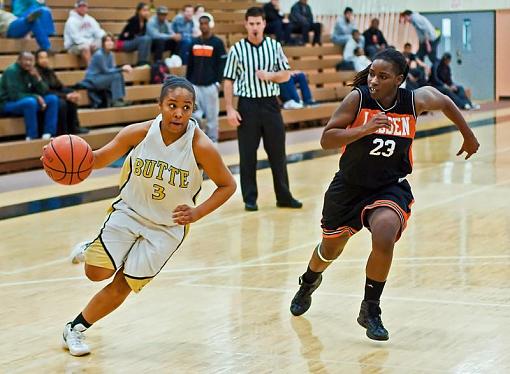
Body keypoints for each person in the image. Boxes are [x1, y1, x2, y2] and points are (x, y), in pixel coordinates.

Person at [289, 48, 480, 341]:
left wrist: (467, 133)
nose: (374, 81)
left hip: (388, 186)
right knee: (331, 250)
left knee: (385, 232)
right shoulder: (358, 98)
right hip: (349, 187)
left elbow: (444, 101)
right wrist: (364, 129)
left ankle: (370, 308)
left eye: (383, 76)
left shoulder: (413, 101)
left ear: (399, 80)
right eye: (372, 74)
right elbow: (327, 138)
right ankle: (309, 281)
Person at [52, 76, 236, 356]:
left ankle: (74, 328)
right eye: (172, 105)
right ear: (159, 105)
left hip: (166, 228)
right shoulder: (138, 132)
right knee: (96, 274)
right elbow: (98, 158)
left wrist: (197, 212)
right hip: (129, 212)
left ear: (193, 109)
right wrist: (66, 157)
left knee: (122, 285)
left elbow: (228, 185)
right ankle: (90, 250)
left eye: (186, 108)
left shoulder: (201, 146)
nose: (178, 113)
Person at [223, 7, 302, 211]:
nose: (255, 27)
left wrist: (269, 76)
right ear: (246, 24)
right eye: (251, 23)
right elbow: (228, 81)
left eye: (258, 23)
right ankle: (250, 198)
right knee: (247, 154)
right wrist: (230, 109)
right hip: (247, 105)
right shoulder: (237, 49)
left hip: (270, 104)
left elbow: (285, 74)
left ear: (264, 24)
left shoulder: (274, 46)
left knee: (278, 153)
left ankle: (284, 196)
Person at [186, 14, 226, 143]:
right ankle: (198, 139)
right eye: (201, 23)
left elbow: (222, 64)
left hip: (210, 86)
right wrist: (188, 82)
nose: (203, 26)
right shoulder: (194, 42)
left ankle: (213, 141)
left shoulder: (217, 43)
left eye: (206, 23)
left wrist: (217, 82)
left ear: (210, 25)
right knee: (195, 114)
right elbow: (190, 64)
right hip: (195, 85)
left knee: (212, 116)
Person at [0, 52, 58, 140]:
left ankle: (48, 134)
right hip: (7, 103)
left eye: (31, 60)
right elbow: (14, 95)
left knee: (52, 99)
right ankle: (31, 136)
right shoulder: (11, 71)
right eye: (25, 60)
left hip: (26, 101)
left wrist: (37, 77)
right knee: (30, 102)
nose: (28, 63)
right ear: (19, 60)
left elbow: (44, 91)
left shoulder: (31, 71)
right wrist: (36, 97)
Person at [35, 49, 88, 135]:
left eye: (46, 57)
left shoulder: (49, 71)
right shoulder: (35, 72)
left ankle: (74, 127)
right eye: (41, 58)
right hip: (44, 97)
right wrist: (66, 96)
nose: (44, 60)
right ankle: (63, 131)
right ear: (37, 60)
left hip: (56, 94)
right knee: (62, 103)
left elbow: (59, 86)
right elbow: (45, 91)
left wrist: (71, 93)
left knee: (72, 100)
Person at [80, 33, 132, 108]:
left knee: (119, 74)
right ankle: (115, 101)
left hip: (102, 77)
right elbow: (106, 71)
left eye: (111, 40)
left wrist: (121, 70)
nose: (109, 42)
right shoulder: (99, 55)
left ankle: (120, 99)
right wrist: (122, 69)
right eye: (107, 41)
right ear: (103, 43)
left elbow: (112, 69)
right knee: (116, 75)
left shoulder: (110, 54)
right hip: (93, 79)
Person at [64, 0, 106, 66]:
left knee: (105, 43)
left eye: (84, 6)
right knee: (85, 47)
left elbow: (98, 32)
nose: (83, 8)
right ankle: (91, 69)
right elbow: (76, 38)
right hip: (73, 46)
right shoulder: (71, 21)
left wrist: (105, 38)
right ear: (76, 8)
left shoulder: (90, 19)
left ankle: (103, 68)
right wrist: (89, 43)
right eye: (80, 6)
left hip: (89, 43)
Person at [117, 2, 152, 66]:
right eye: (144, 10)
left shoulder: (145, 21)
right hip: (124, 43)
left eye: (147, 10)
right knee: (145, 39)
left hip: (135, 42)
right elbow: (130, 36)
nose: (146, 12)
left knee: (148, 39)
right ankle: (141, 63)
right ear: (138, 11)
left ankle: (146, 61)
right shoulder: (134, 20)